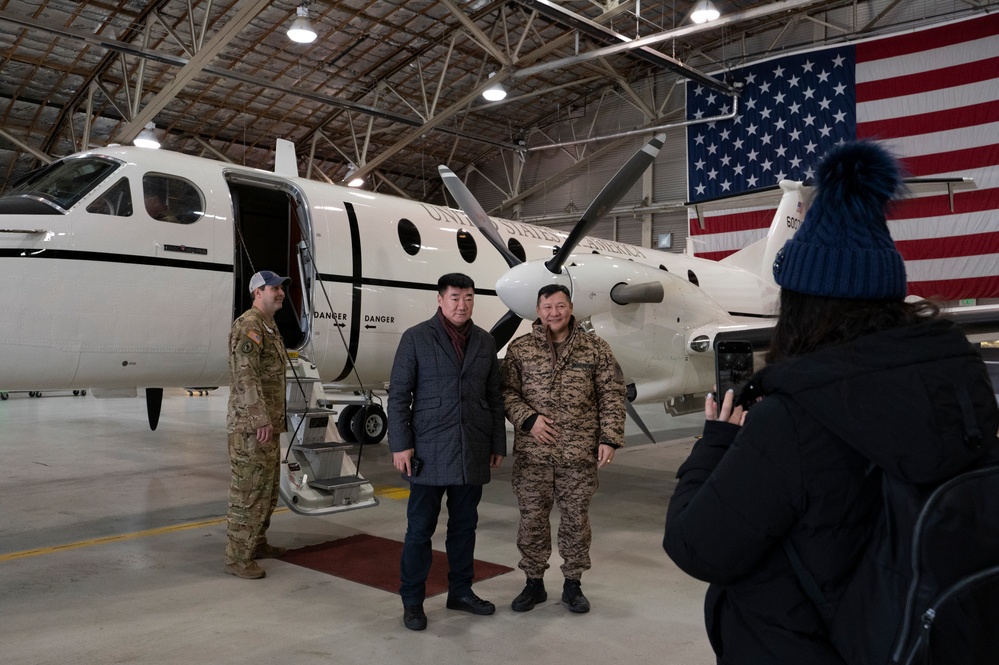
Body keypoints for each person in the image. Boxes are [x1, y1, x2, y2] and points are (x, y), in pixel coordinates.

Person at [663, 141, 999, 664]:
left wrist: (714, 446)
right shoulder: (960, 382)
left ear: (800, 305)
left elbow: (697, 546)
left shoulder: (793, 415)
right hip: (912, 636)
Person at [387, 273, 506, 631]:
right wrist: (400, 444)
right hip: (427, 451)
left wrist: (497, 443)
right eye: (454, 297)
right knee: (420, 530)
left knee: (464, 527)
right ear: (440, 300)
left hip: (472, 450)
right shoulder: (416, 338)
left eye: (468, 297)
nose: (461, 305)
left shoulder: (485, 342)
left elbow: (494, 397)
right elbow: (398, 396)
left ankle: (461, 591)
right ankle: (413, 601)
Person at [500, 284, 626, 614]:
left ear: (570, 308)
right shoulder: (520, 349)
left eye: (560, 306)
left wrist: (609, 438)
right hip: (533, 456)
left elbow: (612, 394)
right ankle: (533, 584)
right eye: (547, 307)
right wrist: (529, 420)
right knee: (532, 521)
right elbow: (505, 393)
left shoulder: (595, 348)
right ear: (538, 311)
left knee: (575, 521)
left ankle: (573, 585)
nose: (553, 313)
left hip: (578, 455)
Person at [224, 270, 292, 579]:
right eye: (273, 288)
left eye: (281, 288)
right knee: (248, 491)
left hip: (267, 426)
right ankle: (238, 558)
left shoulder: (268, 326)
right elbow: (245, 375)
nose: (279, 293)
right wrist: (259, 417)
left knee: (266, 490)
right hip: (251, 428)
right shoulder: (249, 326)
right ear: (257, 292)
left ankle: (256, 543)